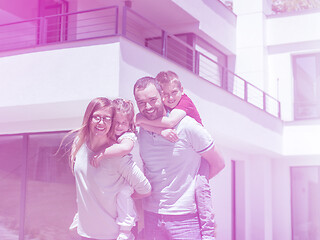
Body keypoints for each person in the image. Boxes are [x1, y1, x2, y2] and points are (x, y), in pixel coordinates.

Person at [133, 77, 225, 240]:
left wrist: (189, 186)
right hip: (151, 216)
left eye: (152, 100)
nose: (147, 107)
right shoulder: (140, 132)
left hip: (185, 220)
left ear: (162, 95)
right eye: (141, 102)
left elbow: (218, 164)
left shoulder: (188, 127)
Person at [69, 97, 151, 240]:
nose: (102, 122)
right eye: (96, 117)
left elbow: (145, 189)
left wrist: (121, 195)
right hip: (85, 233)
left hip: (112, 235)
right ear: (88, 118)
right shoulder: (79, 143)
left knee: (123, 193)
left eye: (107, 118)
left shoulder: (119, 152)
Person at [90, 98, 142, 240]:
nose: (119, 126)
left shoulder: (128, 136)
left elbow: (125, 148)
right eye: (116, 122)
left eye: (124, 123)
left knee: (123, 193)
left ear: (129, 123)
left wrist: (102, 154)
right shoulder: (110, 136)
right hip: (118, 177)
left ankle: (126, 230)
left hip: (130, 178)